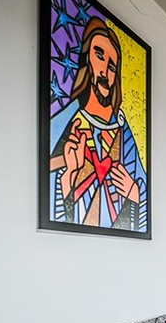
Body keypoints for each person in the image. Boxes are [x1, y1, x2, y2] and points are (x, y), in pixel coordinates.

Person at [49, 17, 147, 231]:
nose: (105, 71)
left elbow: (142, 188)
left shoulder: (123, 131)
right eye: (99, 56)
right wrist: (68, 175)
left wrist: (134, 193)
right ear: (87, 60)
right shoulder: (69, 123)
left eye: (112, 67)